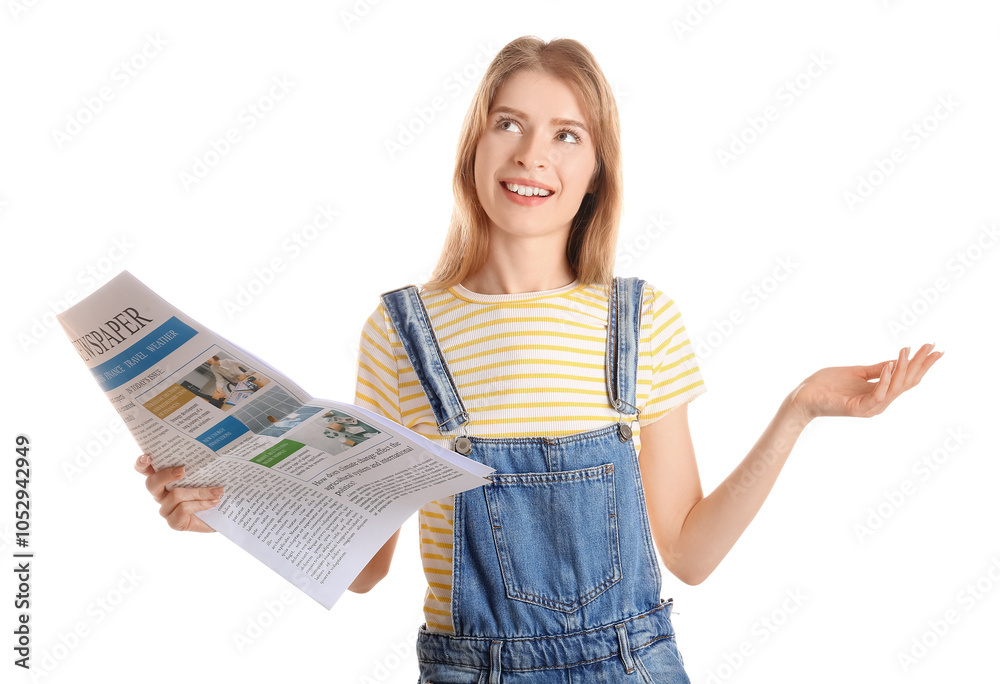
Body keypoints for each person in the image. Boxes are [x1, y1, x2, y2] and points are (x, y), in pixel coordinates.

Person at [135, 36, 942, 682]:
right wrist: (229, 509)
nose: (533, 154)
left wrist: (796, 411)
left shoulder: (642, 320)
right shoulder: (398, 331)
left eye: (567, 134)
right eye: (508, 123)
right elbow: (366, 567)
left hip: (634, 667)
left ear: (594, 174)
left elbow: (690, 556)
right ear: (473, 149)